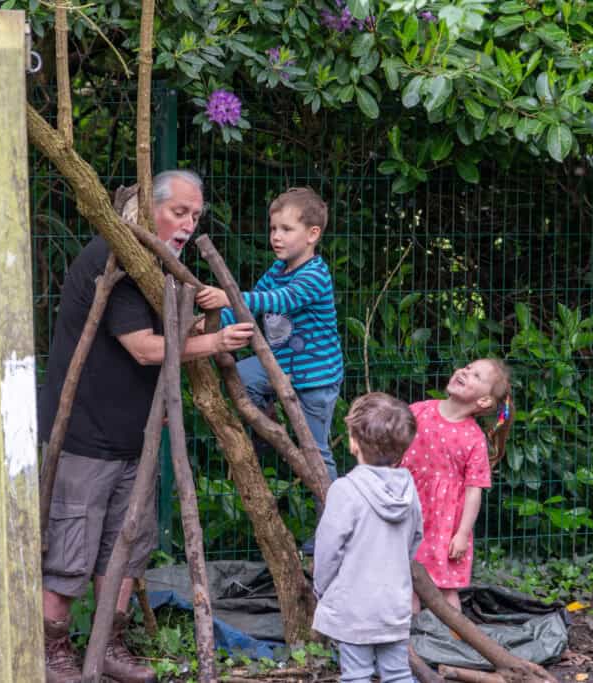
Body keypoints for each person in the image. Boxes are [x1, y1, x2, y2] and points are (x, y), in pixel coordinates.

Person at [36, 169, 254, 683]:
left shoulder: (162, 268)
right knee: (70, 550)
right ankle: (51, 654)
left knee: (126, 549)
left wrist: (206, 317)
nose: (188, 223)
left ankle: (110, 646)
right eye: (179, 212)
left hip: (136, 437)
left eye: (196, 216)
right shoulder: (113, 260)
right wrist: (217, 344)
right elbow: (145, 347)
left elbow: (177, 329)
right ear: (147, 210)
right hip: (86, 437)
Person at [195, 187, 343, 509]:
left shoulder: (316, 274)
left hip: (315, 379)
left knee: (316, 453)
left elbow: (278, 300)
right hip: (280, 365)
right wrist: (216, 319)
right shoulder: (277, 270)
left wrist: (229, 297)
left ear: (312, 234)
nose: (276, 236)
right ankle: (265, 428)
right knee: (241, 376)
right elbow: (249, 308)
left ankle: (330, 526)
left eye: (287, 229)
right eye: (274, 228)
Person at [312, 392, 422, 683]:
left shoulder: (344, 490)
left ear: (353, 442)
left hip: (354, 605)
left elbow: (328, 549)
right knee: (398, 673)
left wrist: (323, 587)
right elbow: (415, 536)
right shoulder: (408, 489)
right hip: (394, 602)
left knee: (357, 675)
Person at [401, 358, 514, 613]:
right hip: (406, 511)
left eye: (476, 376)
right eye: (467, 368)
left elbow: (474, 491)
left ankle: (453, 644)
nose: (465, 372)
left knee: (445, 588)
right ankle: (409, 644)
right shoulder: (418, 411)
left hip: (443, 526)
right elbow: (392, 450)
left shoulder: (474, 438)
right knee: (405, 581)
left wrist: (462, 534)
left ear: (484, 401)